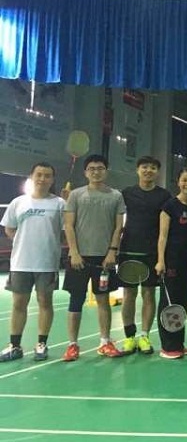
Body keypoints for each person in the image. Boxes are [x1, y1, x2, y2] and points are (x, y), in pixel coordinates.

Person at [62, 154, 126, 361]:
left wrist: (112, 251)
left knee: (103, 300)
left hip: (104, 259)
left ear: (106, 171)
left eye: (100, 168)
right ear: (85, 172)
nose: (96, 172)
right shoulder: (76, 195)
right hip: (79, 258)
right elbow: (68, 225)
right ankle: (72, 345)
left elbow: (118, 227)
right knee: (76, 300)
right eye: (92, 168)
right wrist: (74, 252)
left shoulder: (116, 196)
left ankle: (105, 342)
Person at [0, 163, 65, 362]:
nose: (42, 179)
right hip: (21, 262)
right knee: (19, 303)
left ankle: (41, 344)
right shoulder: (18, 202)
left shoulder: (60, 204)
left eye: (47, 175)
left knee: (45, 302)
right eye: (39, 175)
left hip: (47, 262)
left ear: (52, 180)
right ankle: (15, 346)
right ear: (32, 177)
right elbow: (9, 228)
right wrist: (24, 241)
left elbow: (66, 231)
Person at [119, 156, 172, 356]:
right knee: (129, 295)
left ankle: (144, 336)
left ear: (157, 172)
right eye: (144, 167)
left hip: (152, 252)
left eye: (152, 168)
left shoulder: (164, 196)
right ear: (137, 170)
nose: (148, 170)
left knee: (149, 294)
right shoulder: (127, 193)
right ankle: (129, 337)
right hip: (128, 250)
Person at [154, 168, 187, 359]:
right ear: (178, 182)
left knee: (183, 303)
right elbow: (162, 236)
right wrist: (160, 260)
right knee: (169, 303)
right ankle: (168, 346)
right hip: (172, 260)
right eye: (184, 180)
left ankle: (178, 343)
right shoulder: (169, 206)